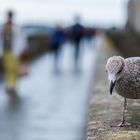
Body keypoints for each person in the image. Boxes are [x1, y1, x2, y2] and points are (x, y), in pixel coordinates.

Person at [0, 10, 27, 93]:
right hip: (6, 52)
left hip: (13, 52)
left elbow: (21, 41)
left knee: (13, 69)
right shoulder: (4, 27)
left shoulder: (15, 27)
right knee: (8, 69)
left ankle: (12, 85)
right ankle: (10, 85)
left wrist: (20, 51)